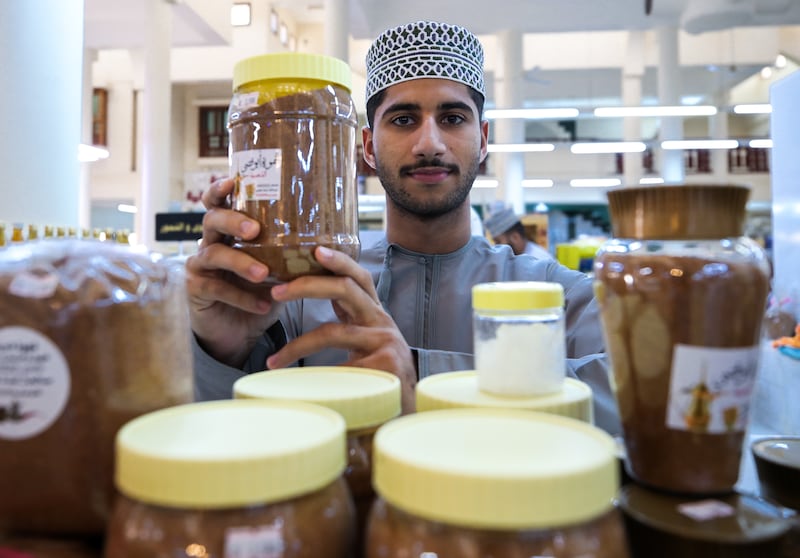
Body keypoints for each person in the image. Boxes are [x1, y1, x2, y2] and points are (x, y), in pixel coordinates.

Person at [186, 20, 621, 434]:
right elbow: (237, 433)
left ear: (483, 140)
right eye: (403, 119)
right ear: (368, 146)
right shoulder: (305, 294)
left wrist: (418, 375)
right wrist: (222, 351)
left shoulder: (555, 295)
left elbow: (634, 402)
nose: (429, 143)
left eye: (452, 118)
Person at [484, 206, 554, 260]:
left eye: (498, 241)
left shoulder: (538, 260)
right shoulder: (519, 258)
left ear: (515, 237)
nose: (496, 246)